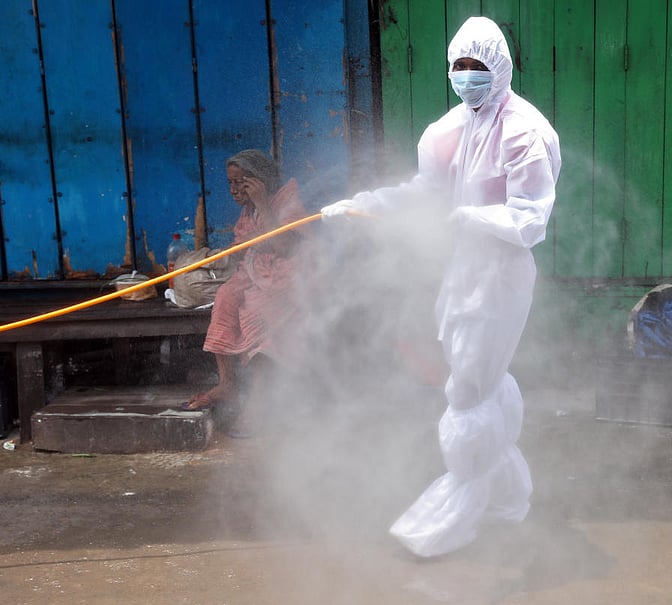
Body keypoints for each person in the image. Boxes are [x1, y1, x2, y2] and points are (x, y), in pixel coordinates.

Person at [320, 16, 561, 557]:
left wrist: (472, 219)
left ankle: (455, 508)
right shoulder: (451, 128)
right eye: (459, 66)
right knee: (481, 380)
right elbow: (424, 190)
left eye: (477, 67)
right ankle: (505, 498)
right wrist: (365, 204)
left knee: (468, 391)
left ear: (499, 68)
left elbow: (530, 221)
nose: (466, 76)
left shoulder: (522, 132)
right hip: (462, 274)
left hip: (499, 278)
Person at [183, 150, 317, 437]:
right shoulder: (249, 210)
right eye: (230, 183)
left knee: (256, 315)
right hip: (260, 275)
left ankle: (259, 406)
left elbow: (284, 249)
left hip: (293, 282)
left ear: (261, 181)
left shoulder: (286, 203)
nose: (234, 190)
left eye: (241, 182)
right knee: (226, 298)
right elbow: (246, 247)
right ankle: (227, 383)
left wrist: (262, 204)